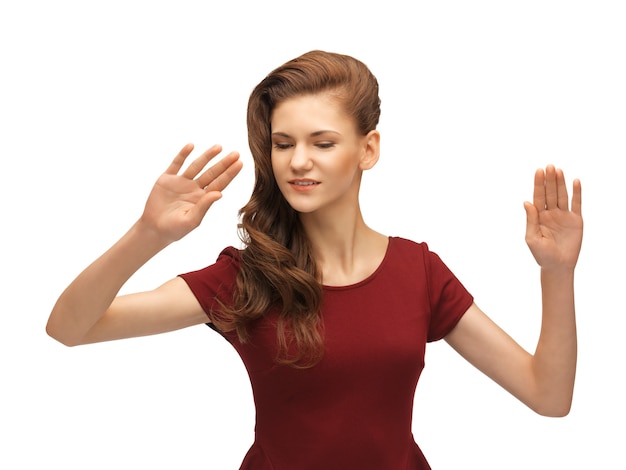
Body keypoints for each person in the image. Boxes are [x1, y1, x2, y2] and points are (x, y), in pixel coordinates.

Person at [46, 50, 583, 469]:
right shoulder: (245, 278)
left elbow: (548, 395)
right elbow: (71, 328)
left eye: (322, 143)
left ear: (367, 149)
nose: (298, 161)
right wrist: (148, 234)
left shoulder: (418, 272)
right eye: (283, 144)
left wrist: (557, 274)